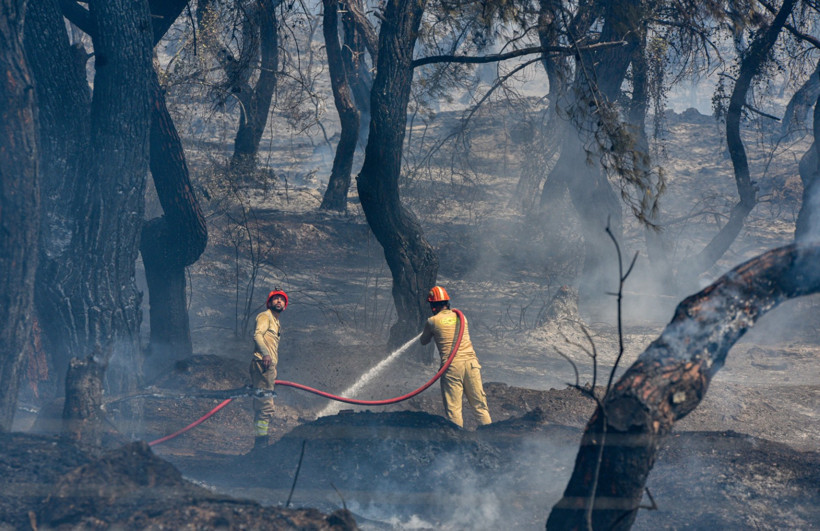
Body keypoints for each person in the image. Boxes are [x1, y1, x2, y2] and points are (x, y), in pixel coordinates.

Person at [420, 286, 491, 429]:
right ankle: (491, 437)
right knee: (480, 406)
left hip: (451, 367)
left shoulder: (432, 321)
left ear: (433, 306)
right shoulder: (461, 317)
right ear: (447, 302)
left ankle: (456, 443)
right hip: (471, 364)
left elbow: (423, 341)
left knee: (454, 410)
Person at [250, 289, 287, 449]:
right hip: (263, 363)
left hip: (268, 366)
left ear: (285, 305)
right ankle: (261, 443)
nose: (279, 301)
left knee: (263, 404)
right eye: (275, 299)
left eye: (281, 299)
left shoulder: (276, 321)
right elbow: (257, 335)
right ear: (269, 303)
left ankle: (260, 441)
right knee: (266, 405)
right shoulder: (265, 316)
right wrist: (265, 355)